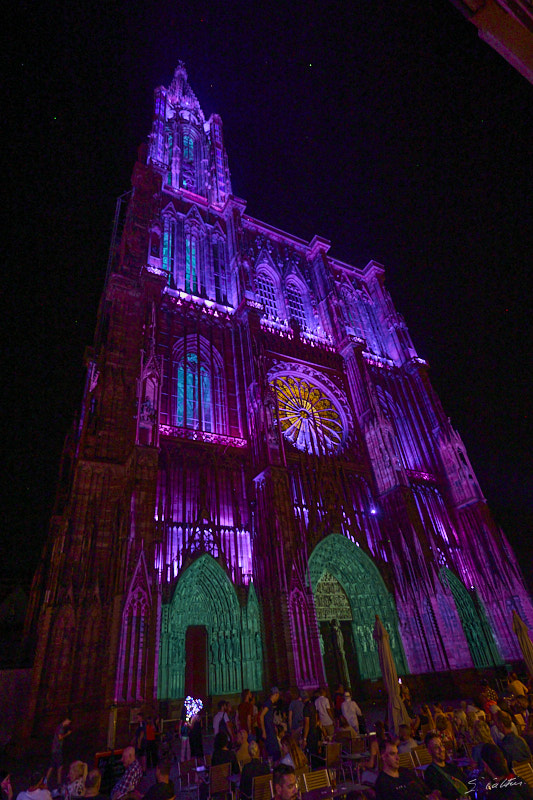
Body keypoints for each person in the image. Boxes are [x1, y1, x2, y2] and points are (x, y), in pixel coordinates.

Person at [424, 733, 469, 799]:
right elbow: (437, 796)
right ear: (429, 751)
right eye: (436, 747)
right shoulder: (431, 773)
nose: (441, 749)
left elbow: (466, 782)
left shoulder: (452, 767)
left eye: (441, 745)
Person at [48, 716, 72, 787]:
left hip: (55, 749)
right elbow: (60, 737)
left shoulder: (60, 727)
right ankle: (59, 783)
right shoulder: (60, 727)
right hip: (57, 750)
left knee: (52, 766)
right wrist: (67, 734)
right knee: (60, 766)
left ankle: (46, 780)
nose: (69, 723)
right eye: (69, 722)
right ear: (66, 720)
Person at [260, 687, 281, 761]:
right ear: (275, 695)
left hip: (270, 728)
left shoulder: (269, 703)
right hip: (268, 730)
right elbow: (261, 716)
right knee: (274, 750)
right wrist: (264, 731)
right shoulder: (268, 703)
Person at [302, 690, 321, 769]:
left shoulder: (306, 708)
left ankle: (313, 771)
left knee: (311, 754)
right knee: (315, 753)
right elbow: (317, 716)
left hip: (310, 734)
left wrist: (305, 738)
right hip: (315, 731)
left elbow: (307, 723)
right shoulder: (312, 705)